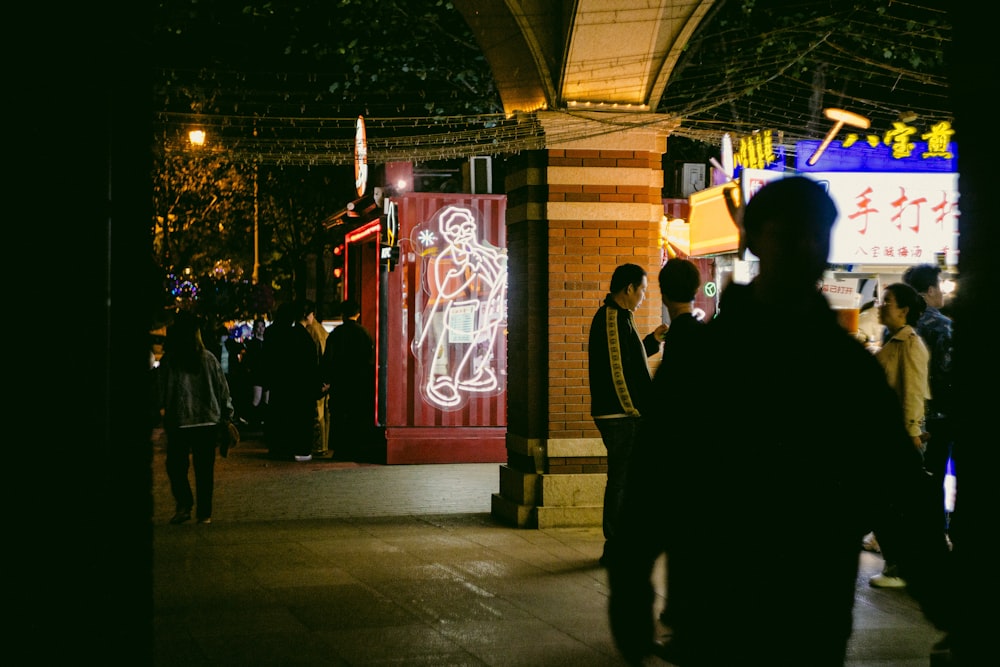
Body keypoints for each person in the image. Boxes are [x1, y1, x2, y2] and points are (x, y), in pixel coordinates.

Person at [608, 176, 951, 666]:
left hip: (802, 607)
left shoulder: (840, 366)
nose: (805, 245)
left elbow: (894, 483)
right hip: (726, 603)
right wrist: (630, 583)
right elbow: (656, 476)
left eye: (816, 233)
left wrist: (943, 593)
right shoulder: (718, 358)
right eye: (790, 232)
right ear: (758, 240)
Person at [587, 262, 668, 567]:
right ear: (629, 288)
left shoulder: (622, 318)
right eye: (643, 290)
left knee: (627, 480)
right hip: (621, 416)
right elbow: (618, 373)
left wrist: (652, 341)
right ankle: (615, 545)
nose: (644, 297)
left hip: (625, 414)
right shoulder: (611, 318)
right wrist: (636, 410)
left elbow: (628, 360)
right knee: (621, 481)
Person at [651, 257, 707, 630]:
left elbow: (667, 405)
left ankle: (684, 613)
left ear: (662, 292)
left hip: (682, 456)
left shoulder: (680, 338)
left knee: (684, 540)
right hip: (703, 454)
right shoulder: (705, 336)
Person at [868, 282, 931, 589]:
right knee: (885, 504)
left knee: (892, 506)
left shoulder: (910, 344)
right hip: (885, 439)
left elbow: (914, 392)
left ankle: (901, 567)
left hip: (899, 440)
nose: (881, 306)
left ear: (904, 310)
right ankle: (897, 564)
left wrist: (911, 432)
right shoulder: (892, 342)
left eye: (888, 301)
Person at [155, 310, 235, 525]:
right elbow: (223, 390)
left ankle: (184, 504)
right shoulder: (208, 359)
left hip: (179, 421)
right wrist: (227, 416)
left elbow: (159, 393)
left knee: (176, 467)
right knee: (204, 470)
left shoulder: (170, 361)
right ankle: (204, 513)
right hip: (207, 421)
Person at [902, 264, 955, 529]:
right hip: (939, 417)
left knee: (909, 479)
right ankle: (935, 534)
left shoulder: (898, 326)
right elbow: (949, 373)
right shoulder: (943, 326)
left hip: (906, 417)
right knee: (935, 478)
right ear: (931, 289)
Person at [263, 301, 322, 462]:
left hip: (283, 384)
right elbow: (309, 365)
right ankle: (300, 449)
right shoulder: (304, 337)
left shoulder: (281, 334)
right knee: (301, 418)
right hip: (301, 387)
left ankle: (281, 446)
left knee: (283, 415)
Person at [321, 299, 376, 461]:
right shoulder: (364, 333)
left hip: (340, 382)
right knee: (356, 415)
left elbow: (328, 360)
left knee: (338, 416)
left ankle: (340, 450)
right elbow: (369, 359)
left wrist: (326, 379)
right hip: (359, 382)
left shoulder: (336, 334)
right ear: (358, 314)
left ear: (343, 314)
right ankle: (355, 448)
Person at [300, 300, 332, 459]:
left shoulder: (311, 331)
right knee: (324, 414)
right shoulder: (322, 331)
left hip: (315, 378)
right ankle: (323, 445)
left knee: (316, 414)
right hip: (324, 379)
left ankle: (318, 446)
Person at [241, 318, 269, 428]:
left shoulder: (266, 342)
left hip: (265, 373)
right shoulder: (252, 344)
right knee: (256, 399)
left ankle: (262, 420)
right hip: (257, 374)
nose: (261, 329)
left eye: (262, 326)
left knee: (266, 399)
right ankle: (251, 419)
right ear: (255, 329)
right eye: (259, 327)